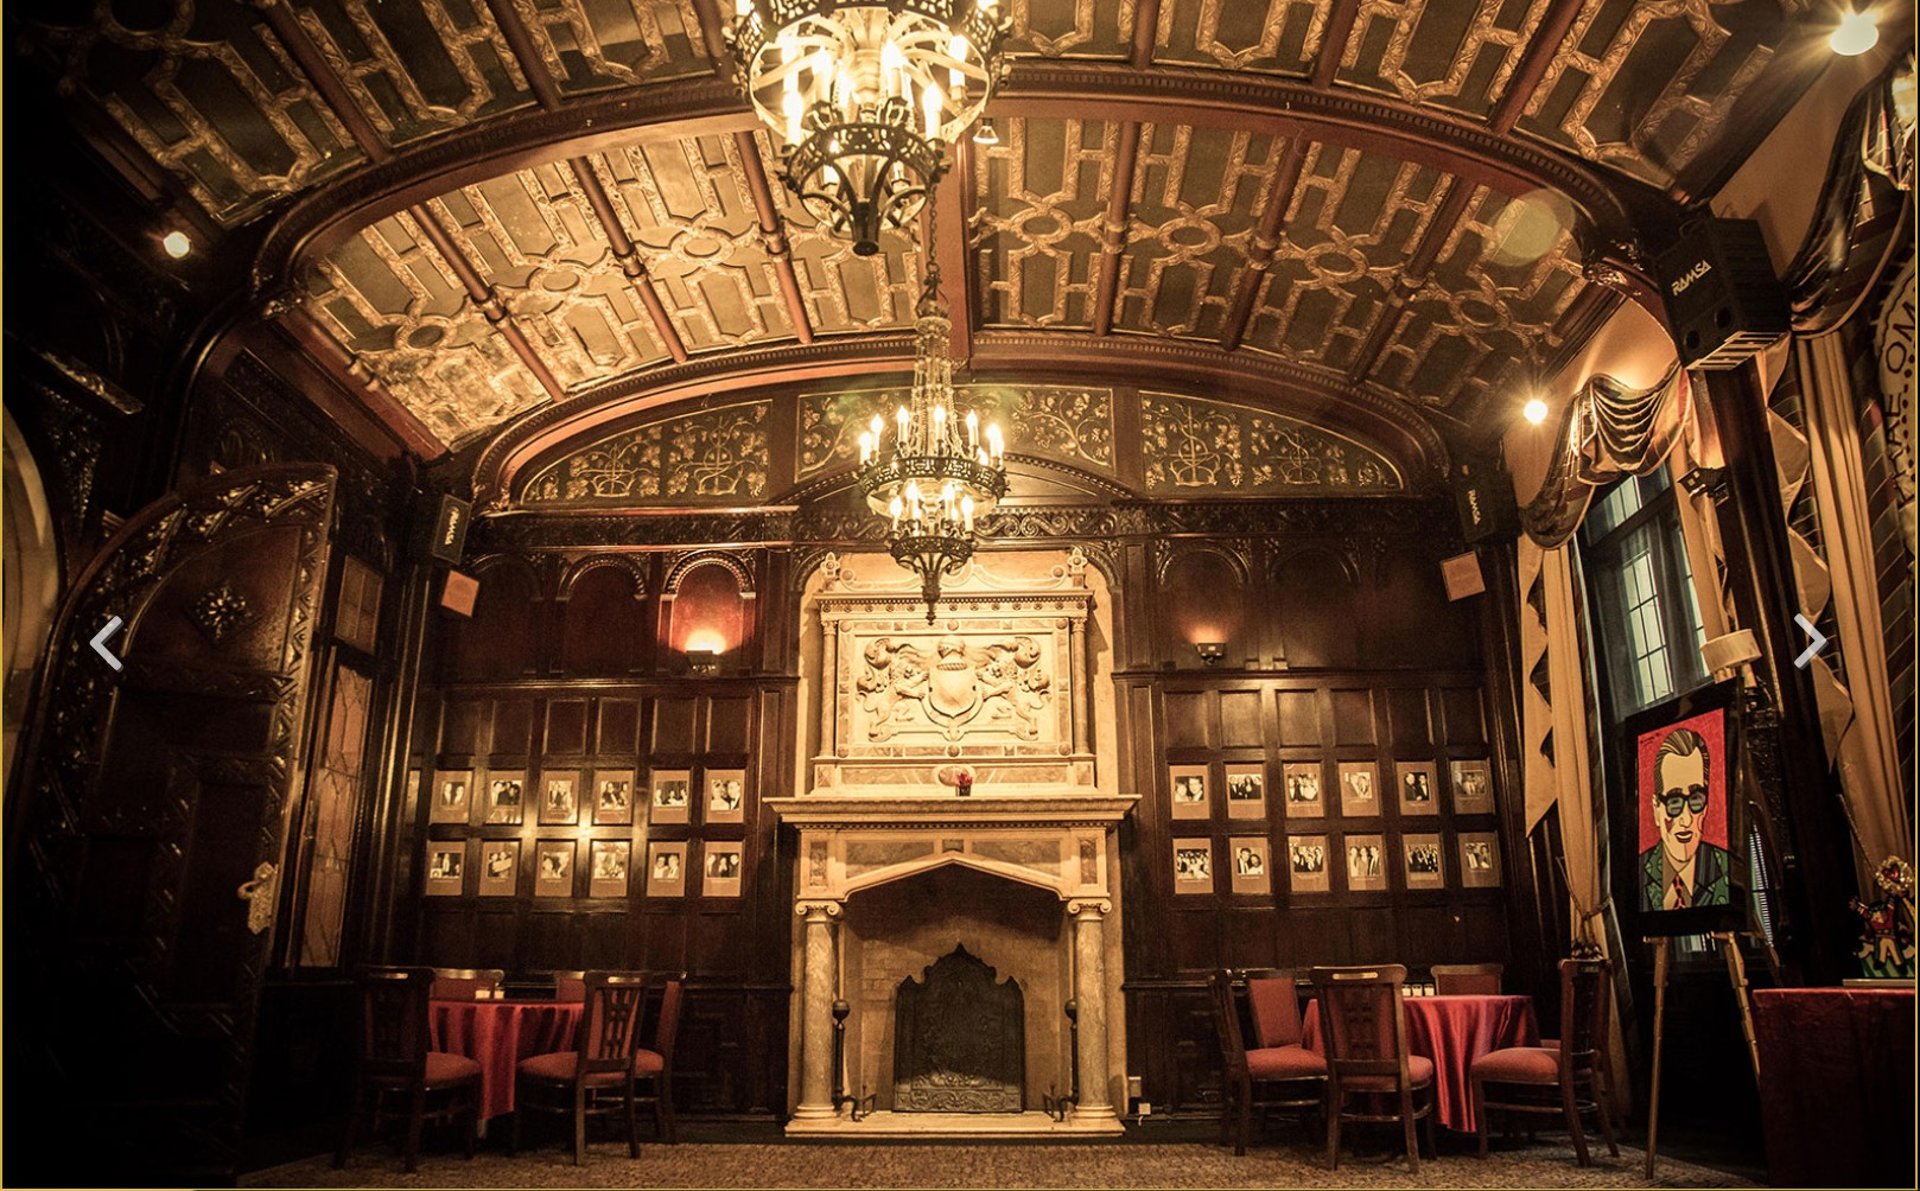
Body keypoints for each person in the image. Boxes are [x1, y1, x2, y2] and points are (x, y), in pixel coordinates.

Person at [1639, 726, 1731, 910]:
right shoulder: (1637, 874)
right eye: (1674, 802)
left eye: (1696, 799)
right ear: (1657, 808)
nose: (1686, 820)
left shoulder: (1727, 868)